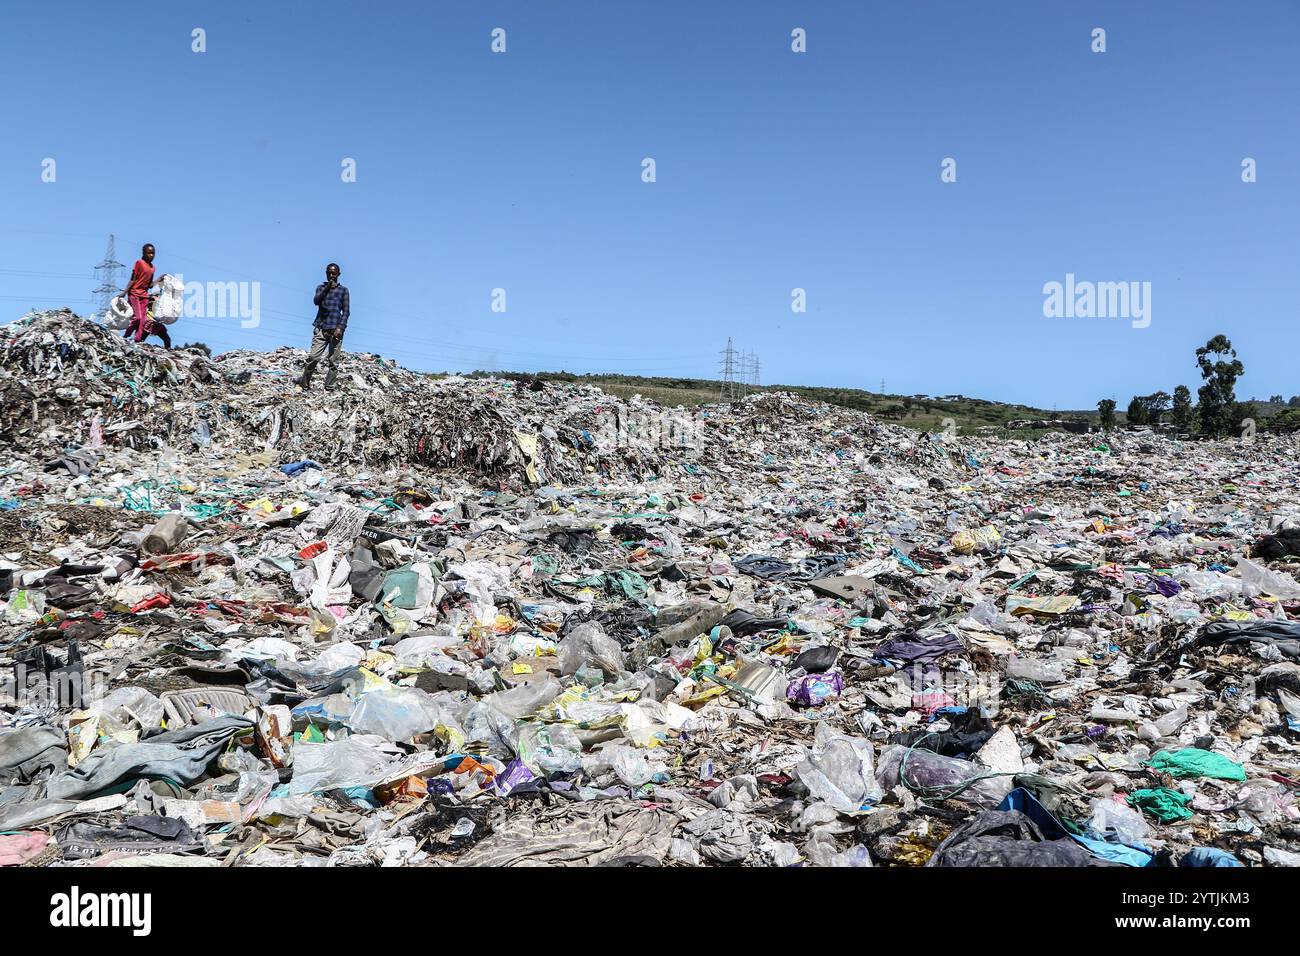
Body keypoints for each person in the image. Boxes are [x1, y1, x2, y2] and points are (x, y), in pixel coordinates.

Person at [298, 262, 349, 390]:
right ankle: (304, 383)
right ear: (326, 274)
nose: (331, 275)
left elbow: (346, 311)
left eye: (333, 273)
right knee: (313, 357)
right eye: (329, 273)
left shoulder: (343, 290)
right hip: (321, 328)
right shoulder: (321, 288)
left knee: (333, 361)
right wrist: (328, 288)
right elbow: (316, 301)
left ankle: (329, 386)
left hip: (335, 330)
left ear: (338, 274)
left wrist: (340, 328)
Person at [121, 243, 171, 349]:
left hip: (144, 295)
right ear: (143, 253)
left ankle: (137, 341)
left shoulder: (153, 268)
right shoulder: (139, 263)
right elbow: (133, 279)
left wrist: (160, 278)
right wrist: (125, 292)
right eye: (149, 253)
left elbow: (150, 285)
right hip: (134, 293)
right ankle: (125, 337)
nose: (151, 255)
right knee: (138, 318)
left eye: (153, 253)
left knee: (143, 322)